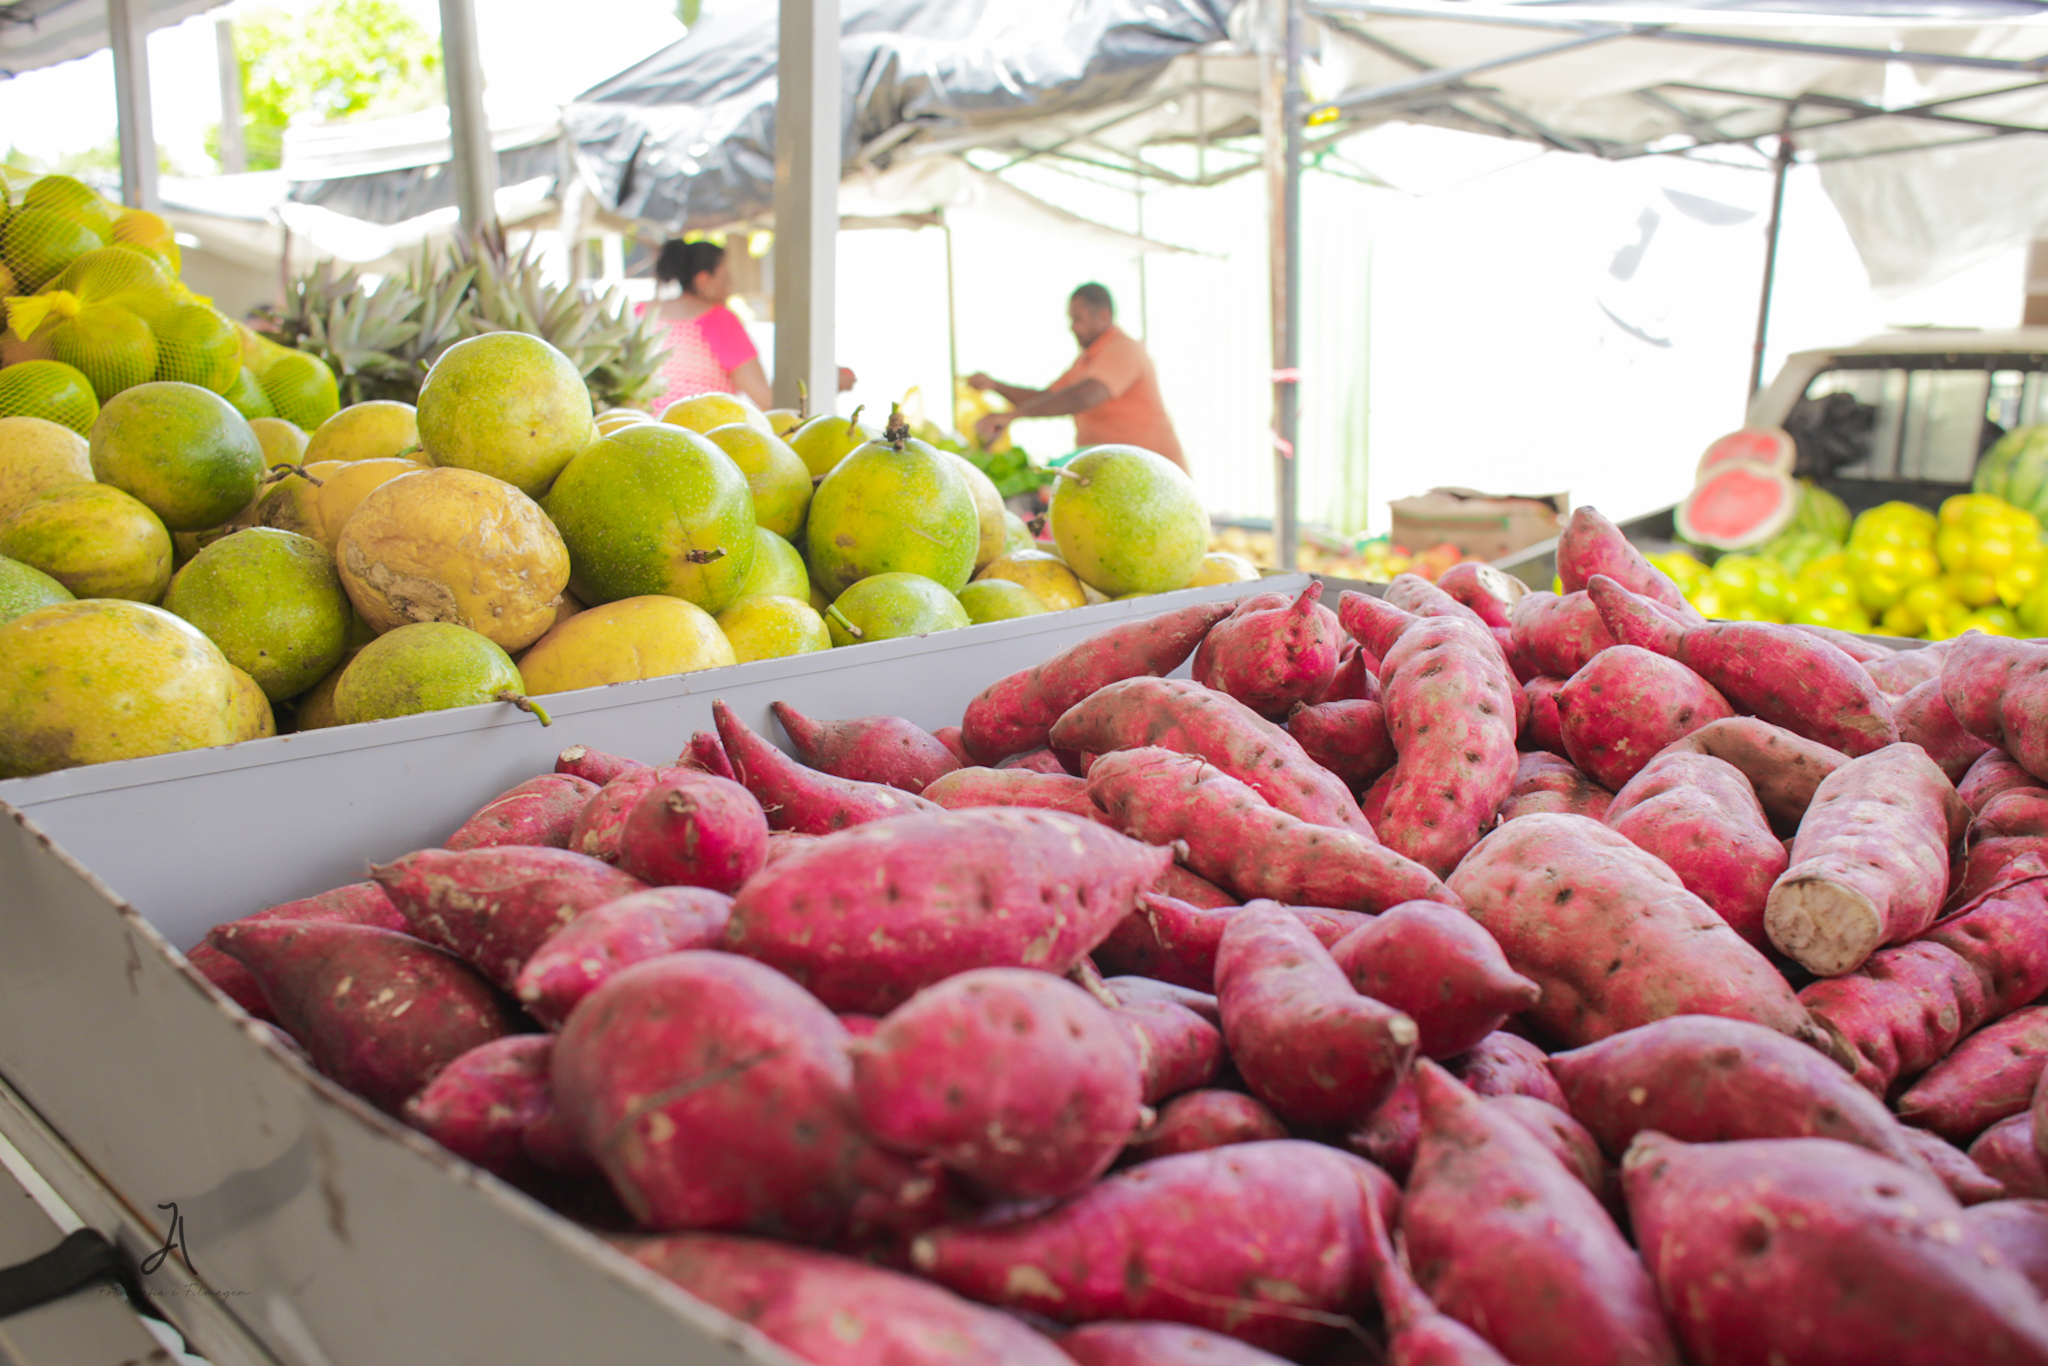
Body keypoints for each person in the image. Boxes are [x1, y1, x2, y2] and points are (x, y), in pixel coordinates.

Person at [966, 283, 1185, 471]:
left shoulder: (1123, 349)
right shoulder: (1088, 360)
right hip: (1116, 468)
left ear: (1103, 317)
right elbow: (1048, 398)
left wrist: (1012, 416)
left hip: (1154, 470)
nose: (1072, 327)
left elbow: (1084, 397)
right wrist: (994, 385)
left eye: (1077, 318)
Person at [643, 239, 853, 416]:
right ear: (704, 280)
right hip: (704, 439)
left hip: (642, 433)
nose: (731, 286)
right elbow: (767, 398)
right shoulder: (718, 320)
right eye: (726, 277)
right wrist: (829, 380)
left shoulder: (639, 312)